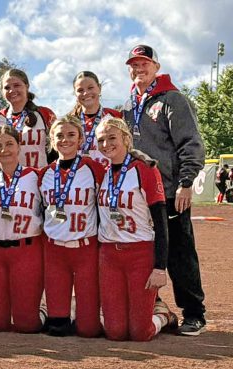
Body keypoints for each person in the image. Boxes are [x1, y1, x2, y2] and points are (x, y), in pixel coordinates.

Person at [122, 44, 207, 335]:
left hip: (170, 191)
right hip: (138, 196)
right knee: (146, 253)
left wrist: (185, 183)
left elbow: (191, 143)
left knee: (180, 254)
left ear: (156, 67)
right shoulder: (127, 105)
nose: (139, 69)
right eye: (134, 65)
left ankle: (194, 313)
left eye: (144, 63)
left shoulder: (173, 100)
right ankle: (154, 305)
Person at [94, 117, 178, 341]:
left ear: (126, 138)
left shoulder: (145, 169)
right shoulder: (101, 172)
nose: (106, 144)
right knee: (115, 332)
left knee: (141, 333)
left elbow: (160, 221)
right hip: (109, 253)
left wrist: (160, 267)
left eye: (112, 138)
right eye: (101, 140)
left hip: (140, 252)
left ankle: (163, 315)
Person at [38, 115, 105, 337]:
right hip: (54, 249)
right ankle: (49, 310)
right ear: (51, 139)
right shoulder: (45, 174)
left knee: (89, 329)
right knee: (58, 327)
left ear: (81, 139)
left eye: (71, 135)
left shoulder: (94, 168)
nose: (65, 140)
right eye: (59, 135)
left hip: (85, 247)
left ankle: (161, 315)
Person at [0, 125, 45, 333]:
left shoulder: (36, 177)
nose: (4, 150)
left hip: (26, 250)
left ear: (19, 146)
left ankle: (42, 311)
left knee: (27, 325)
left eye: (9, 144)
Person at [0, 68, 56, 168]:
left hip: (40, 177)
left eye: (17, 85)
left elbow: (58, 146)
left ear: (27, 86)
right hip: (11, 179)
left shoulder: (45, 113)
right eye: (7, 87)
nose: (12, 90)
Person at [68, 71, 122, 167]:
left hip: (108, 178)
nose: (86, 93)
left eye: (90, 88)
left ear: (99, 88)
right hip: (78, 178)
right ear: (75, 94)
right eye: (80, 90)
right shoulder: (69, 122)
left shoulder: (115, 116)